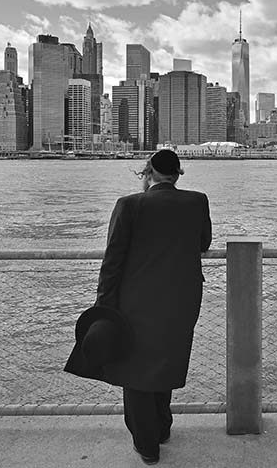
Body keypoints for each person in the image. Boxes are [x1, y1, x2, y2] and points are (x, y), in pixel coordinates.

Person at [89, 149, 212, 465]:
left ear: (148, 173)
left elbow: (112, 261)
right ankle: (162, 429)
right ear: (177, 174)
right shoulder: (197, 201)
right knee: (163, 361)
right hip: (182, 301)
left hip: (136, 302)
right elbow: (203, 243)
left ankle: (147, 445)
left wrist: (103, 305)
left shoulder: (129, 205)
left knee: (135, 371)